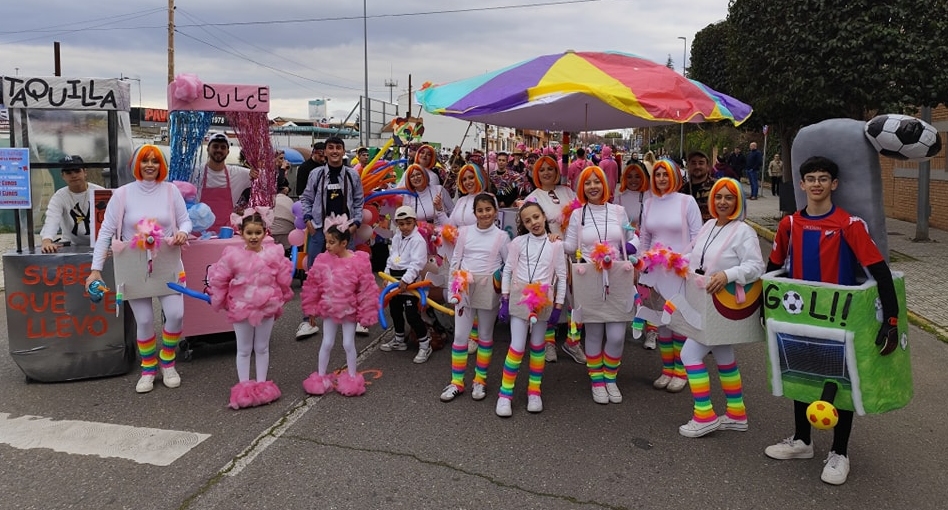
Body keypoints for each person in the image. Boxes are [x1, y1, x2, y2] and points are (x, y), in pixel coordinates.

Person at [764, 156, 900, 485]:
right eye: (810, 178)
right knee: (797, 373)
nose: (816, 184)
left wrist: (891, 320)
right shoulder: (790, 225)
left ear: (833, 184)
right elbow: (773, 267)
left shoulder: (849, 225)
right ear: (801, 184)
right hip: (796, 317)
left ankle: (840, 452)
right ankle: (802, 440)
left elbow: (880, 271)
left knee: (841, 384)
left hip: (838, 319)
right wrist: (763, 310)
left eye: (823, 178)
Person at [85, 145, 191, 393]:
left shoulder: (170, 190)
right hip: (132, 263)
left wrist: (183, 232)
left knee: (175, 314)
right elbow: (106, 234)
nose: (150, 165)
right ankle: (147, 367)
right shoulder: (122, 194)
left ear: (161, 165)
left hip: (167, 260)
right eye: (145, 161)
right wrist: (95, 269)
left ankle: (168, 361)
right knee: (143, 319)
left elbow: (185, 219)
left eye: (155, 161)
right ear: (136, 164)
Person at [677, 178, 763, 437]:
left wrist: (729, 274)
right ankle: (736, 413)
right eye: (718, 197)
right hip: (704, 302)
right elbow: (695, 257)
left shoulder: (744, 231)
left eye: (729, 197)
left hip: (722, 304)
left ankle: (704, 414)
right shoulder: (709, 225)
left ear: (738, 201)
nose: (723, 202)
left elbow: (757, 266)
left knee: (689, 356)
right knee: (724, 356)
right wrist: (673, 261)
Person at [207, 208, 293, 409]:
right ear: (241, 233)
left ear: (265, 232)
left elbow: (283, 281)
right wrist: (221, 300)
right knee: (244, 350)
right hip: (241, 308)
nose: (254, 237)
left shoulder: (274, 254)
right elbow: (219, 280)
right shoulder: (233, 257)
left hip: (267, 307)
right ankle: (244, 387)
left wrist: (282, 296)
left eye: (258, 232)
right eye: (249, 233)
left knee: (262, 348)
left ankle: (262, 384)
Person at [564, 166, 637, 404]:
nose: (593, 186)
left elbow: (629, 239)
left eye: (597, 181)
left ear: (605, 185)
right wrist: (552, 240)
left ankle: (611, 378)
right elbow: (569, 246)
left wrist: (635, 246)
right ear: (581, 187)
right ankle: (597, 380)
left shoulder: (618, 211)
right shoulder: (578, 214)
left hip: (617, 276)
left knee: (616, 335)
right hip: (590, 277)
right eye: (588, 182)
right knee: (594, 332)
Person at [495, 202, 568, 416]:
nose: (533, 222)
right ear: (523, 224)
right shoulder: (518, 242)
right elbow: (507, 271)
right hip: (520, 297)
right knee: (517, 347)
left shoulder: (556, 245)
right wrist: (505, 299)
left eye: (536, 217)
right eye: (527, 220)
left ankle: (534, 391)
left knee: (538, 346)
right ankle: (505, 394)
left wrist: (558, 306)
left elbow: (561, 278)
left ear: (544, 216)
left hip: (544, 300)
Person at [638, 158, 703, 393]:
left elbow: (697, 236)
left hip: (679, 271)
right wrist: (642, 260)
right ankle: (667, 369)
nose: (661, 179)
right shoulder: (649, 202)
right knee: (661, 322)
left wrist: (685, 261)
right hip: (655, 272)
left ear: (675, 176)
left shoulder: (687, 202)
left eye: (666, 174)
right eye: (657, 174)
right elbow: (645, 237)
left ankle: (681, 371)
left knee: (679, 323)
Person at [301, 214, 380, 396]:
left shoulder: (358, 262)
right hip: (329, 310)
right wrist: (311, 310)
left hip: (349, 311)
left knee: (347, 343)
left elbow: (366, 290)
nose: (327, 246)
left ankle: (352, 378)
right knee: (327, 342)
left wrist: (366, 315)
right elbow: (313, 286)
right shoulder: (322, 260)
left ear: (344, 243)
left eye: (331, 242)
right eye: (327, 242)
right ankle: (320, 377)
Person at [440, 193, 509, 402]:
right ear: (474, 213)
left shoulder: (502, 237)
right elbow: (456, 260)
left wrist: (503, 291)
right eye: (480, 210)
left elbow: (508, 266)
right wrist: (453, 289)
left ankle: (480, 380)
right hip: (464, 288)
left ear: (495, 212)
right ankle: (457, 382)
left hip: (489, 289)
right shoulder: (464, 232)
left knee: (485, 336)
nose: (485, 214)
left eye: (489, 209)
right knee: (460, 336)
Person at [298, 136, 365, 339]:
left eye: (338, 148)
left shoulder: (352, 175)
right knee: (314, 274)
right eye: (330, 148)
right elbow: (306, 198)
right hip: (320, 231)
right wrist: (308, 219)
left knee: (351, 275)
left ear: (343, 151)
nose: (334, 151)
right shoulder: (316, 174)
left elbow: (360, 200)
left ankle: (357, 318)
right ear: (324, 151)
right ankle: (308, 320)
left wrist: (356, 223)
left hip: (345, 231)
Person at [525, 156, 586, 364]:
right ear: (536, 173)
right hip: (547, 252)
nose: (546, 173)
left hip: (574, 252)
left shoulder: (568, 191)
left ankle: (573, 340)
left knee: (576, 299)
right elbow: (529, 227)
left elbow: (581, 218)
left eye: (550, 169)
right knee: (548, 296)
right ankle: (548, 342)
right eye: (541, 170)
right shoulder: (532, 198)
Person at [379, 206, 434, 363]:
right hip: (395, 283)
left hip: (410, 284)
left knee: (412, 315)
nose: (404, 227)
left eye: (408, 223)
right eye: (401, 224)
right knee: (395, 311)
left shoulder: (418, 240)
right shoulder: (397, 237)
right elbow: (391, 258)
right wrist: (387, 275)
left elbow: (417, 264)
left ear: (414, 222)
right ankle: (399, 339)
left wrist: (406, 280)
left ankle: (425, 344)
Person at [615, 159, 658, 350]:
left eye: (637, 176)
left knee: (650, 290)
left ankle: (652, 330)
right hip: (628, 250)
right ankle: (633, 322)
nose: (633, 180)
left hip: (649, 250)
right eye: (629, 176)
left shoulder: (652, 197)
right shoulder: (619, 197)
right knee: (631, 289)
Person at [40, 155, 104, 253]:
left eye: (77, 171)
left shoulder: (100, 192)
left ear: (85, 172)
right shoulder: (59, 196)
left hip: (100, 244)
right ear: (63, 176)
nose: (73, 175)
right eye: (68, 172)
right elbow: (52, 219)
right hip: (71, 245)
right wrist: (47, 241)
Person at [198, 133, 257, 233]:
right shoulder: (195, 173)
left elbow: (265, 179)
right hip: (199, 234)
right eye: (215, 146)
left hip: (225, 234)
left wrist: (257, 172)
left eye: (223, 147)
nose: (219, 150)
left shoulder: (238, 173)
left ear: (227, 151)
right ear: (208, 149)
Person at [685, 151, 717, 222]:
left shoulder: (717, 187)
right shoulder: (682, 190)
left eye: (701, 163)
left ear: (708, 166)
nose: (697, 166)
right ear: (688, 166)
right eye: (693, 163)